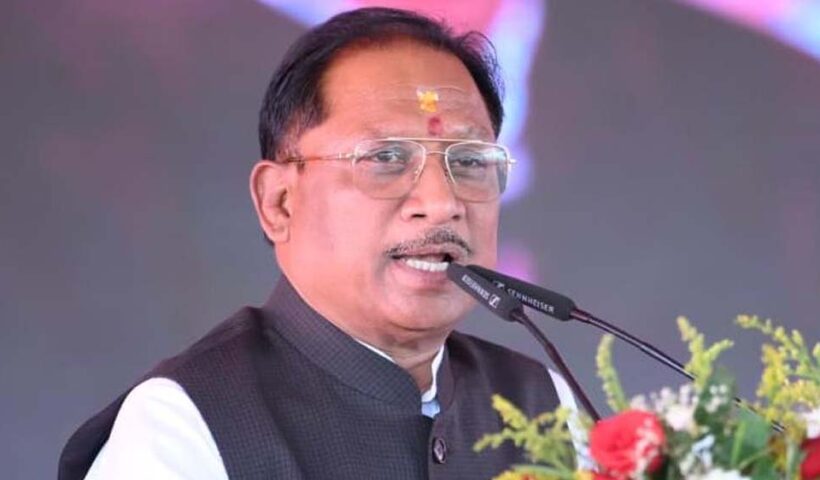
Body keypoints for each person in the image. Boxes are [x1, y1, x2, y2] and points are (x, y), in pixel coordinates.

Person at [58, 7, 576, 479]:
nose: (442, 202)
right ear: (279, 203)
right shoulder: (182, 427)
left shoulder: (544, 401)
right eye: (385, 158)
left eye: (469, 161)